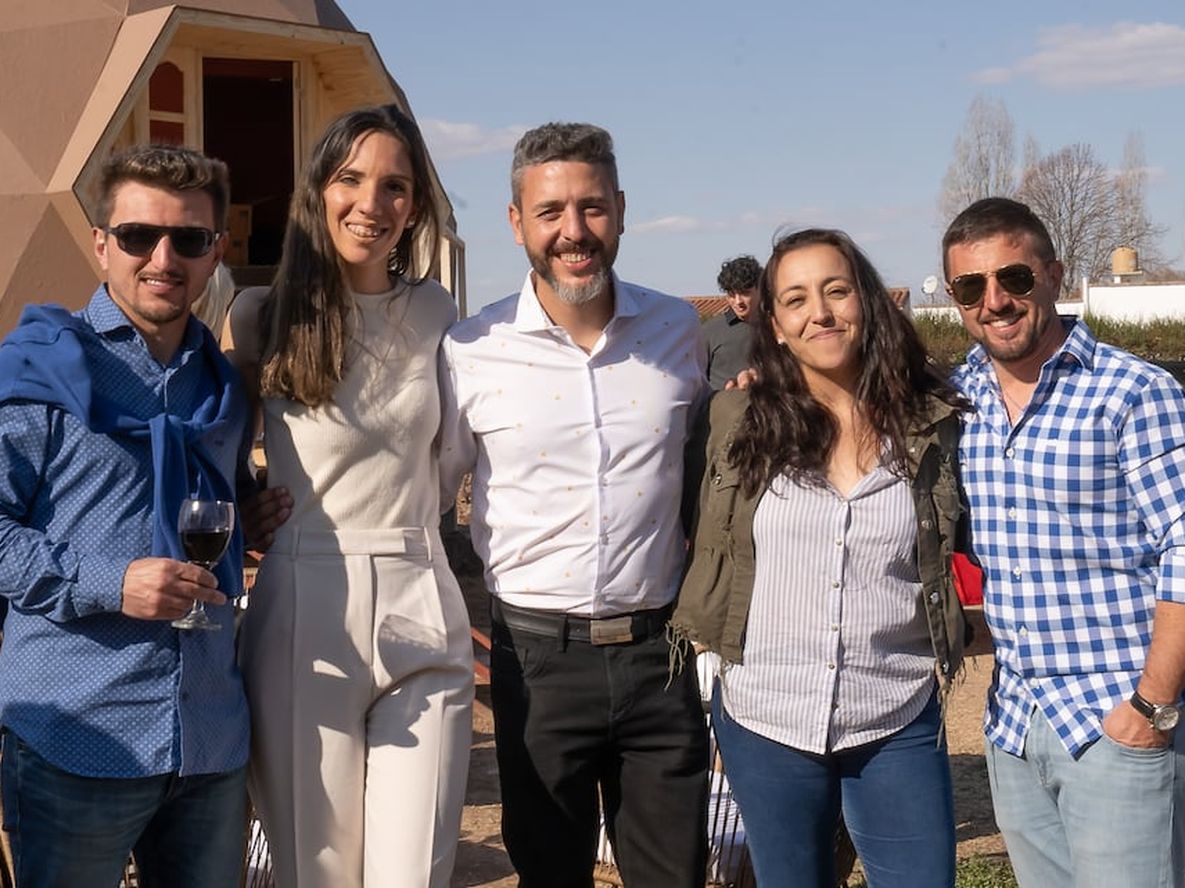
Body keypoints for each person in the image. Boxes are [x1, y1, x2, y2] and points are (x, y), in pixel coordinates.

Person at [438, 121, 710, 888]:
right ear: (516, 222)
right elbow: (429, 495)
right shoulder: (471, 348)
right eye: (551, 212)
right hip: (535, 664)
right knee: (550, 876)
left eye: (591, 207)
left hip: (663, 657)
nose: (573, 232)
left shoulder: (678, 332)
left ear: (620, 210)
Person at [222, 104, 474, 888]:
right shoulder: (261, 316)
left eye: (395, 186)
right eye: (351, 179)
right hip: (306, 604)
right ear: (318, 190)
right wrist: (246, 505)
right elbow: (214, 448)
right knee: (316, 872)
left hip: (422, 593)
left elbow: (456, 451)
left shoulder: (436, 313)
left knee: (413, 874)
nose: (372, 203)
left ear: (416, 207)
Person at [672, 228, 968, 888]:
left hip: (894, 712)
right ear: (773, 323)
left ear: (865, 302)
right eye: (796, 298)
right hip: (764, 716)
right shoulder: (732, 419)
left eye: (836, 290)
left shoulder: (933, 422)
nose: (820, 312)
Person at [0, 145, 252, 887]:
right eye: (140, 236)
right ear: (101, 242)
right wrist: (111, 584)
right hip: (77, 735)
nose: (163, 257)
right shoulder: (44, 366)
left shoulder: (222, 387)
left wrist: (259, 520)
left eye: (190, 239)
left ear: (217, 252)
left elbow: (217, 508)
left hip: (208, 740)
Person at [944, 197, 1185, 887]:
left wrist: (1150, 706)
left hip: (1117, 717)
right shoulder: (955, 398)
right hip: (1013, 727)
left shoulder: (1132, 392)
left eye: (1013, 279)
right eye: (970, 287)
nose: (994, 301)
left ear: (1052, 275)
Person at [704, 254, 760, 389]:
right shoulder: (708, 332)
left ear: (761, 288)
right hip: (723, 408)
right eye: (731, 294)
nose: (738, 301)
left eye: (745, 293)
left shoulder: (782, 327)